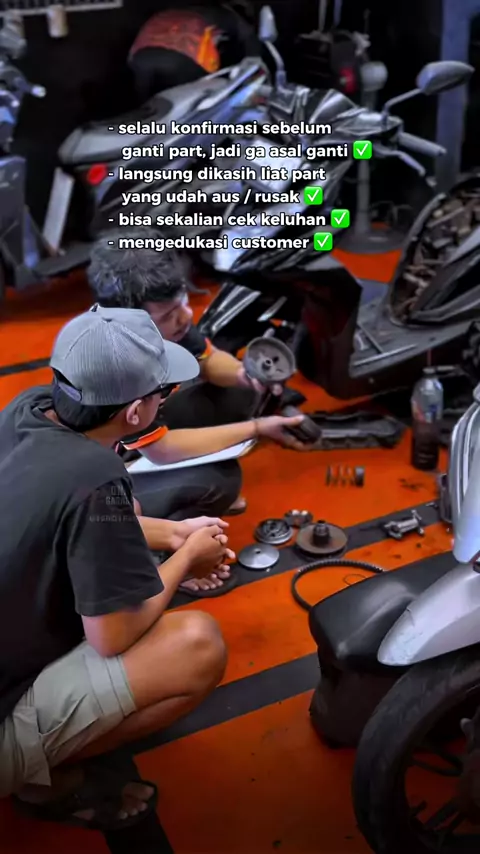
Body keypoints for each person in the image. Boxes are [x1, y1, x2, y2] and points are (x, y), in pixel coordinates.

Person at [0, 305, 235, 829]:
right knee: (198, 646)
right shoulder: (98, 476)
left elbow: (57, 515)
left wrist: (172, 532)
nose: (162, 401)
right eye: (161, 394)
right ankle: (43, 780)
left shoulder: (27, 408)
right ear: (134, 413)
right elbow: (112, 636)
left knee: (129, 511)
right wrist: (186, 559)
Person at [88, 233, 310, 596]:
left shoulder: (160, 323)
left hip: (139, 439)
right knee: (221, 479)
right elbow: (162, 449)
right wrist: (257, 428)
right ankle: (167, 555)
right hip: (101, 483)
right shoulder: (116, 364)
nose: (186, 315)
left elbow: (207, 360)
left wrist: (246, 375)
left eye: (183, 301)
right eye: (169, 314)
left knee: (241, 392)